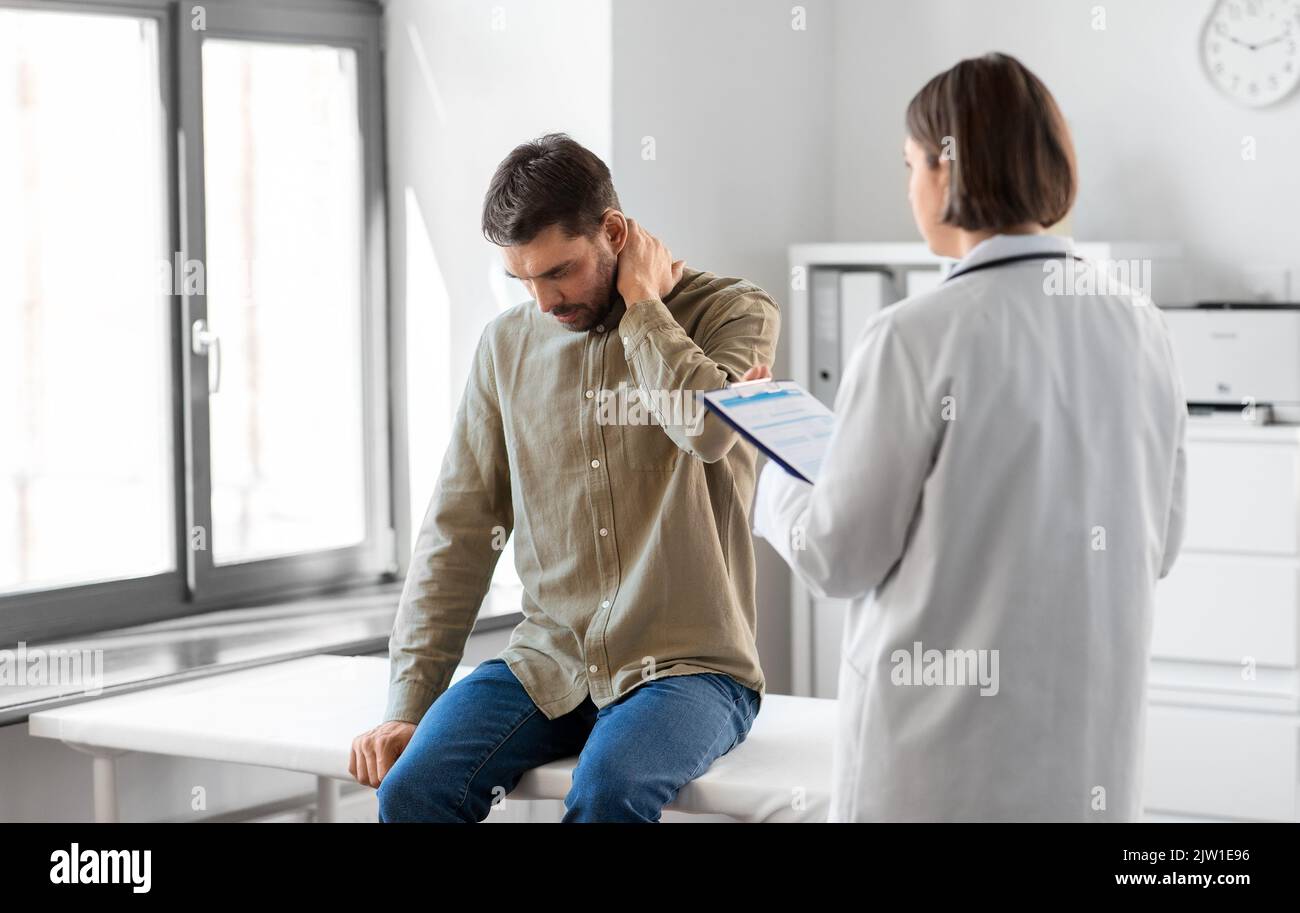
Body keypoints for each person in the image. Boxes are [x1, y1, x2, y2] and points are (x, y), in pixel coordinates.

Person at [748, 53, 1187, 821]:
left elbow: (835, 554)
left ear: (951, 172)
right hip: (1088, 763)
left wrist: (769, 457)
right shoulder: (1141, 327)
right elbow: (1164, 540)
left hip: (940, 770)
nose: (908, 184)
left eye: (911, 163)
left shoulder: (914, 336)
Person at [351, 134, 781, 822]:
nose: (544, 299)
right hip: (548, 661)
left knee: (608, 791)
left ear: (614, 231)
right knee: (411, 788)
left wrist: (643, 301)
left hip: (689, 669)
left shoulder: (735, 311)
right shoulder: (506, 346)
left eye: (559, 271)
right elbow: (458, 532)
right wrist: (408, 704)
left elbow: (703, 428)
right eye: (523, 278)